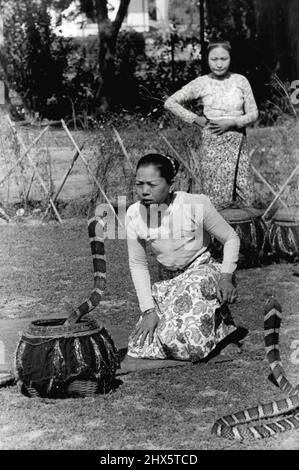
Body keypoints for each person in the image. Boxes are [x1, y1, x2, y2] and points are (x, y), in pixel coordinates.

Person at [125, 153, 241, 362]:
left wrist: (226, 276)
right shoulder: (134, 214)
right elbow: (138, 263)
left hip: (204, 272)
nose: (144, 191)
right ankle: (218, 333)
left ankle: (222, 339)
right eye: (139, 184)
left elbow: (231, 238)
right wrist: (148, 310)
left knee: (191, 338)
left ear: (171, 184)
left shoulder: (196, 204)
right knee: (140, 345)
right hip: (170, 281)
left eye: (152, 184)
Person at [164, 39, 258, 210]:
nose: (219, 64)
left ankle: (246, 236)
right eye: (214, 59)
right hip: (213, 145)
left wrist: (232, 122)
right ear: (207, 59)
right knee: (216, 199)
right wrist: (194, 118)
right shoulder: (202, 83)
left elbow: (253, 113)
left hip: (238, 144)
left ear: (231, 59)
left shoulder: (240, 81)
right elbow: (170, 102)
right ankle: (215, 235)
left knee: (246, 196)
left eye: (224, 59)